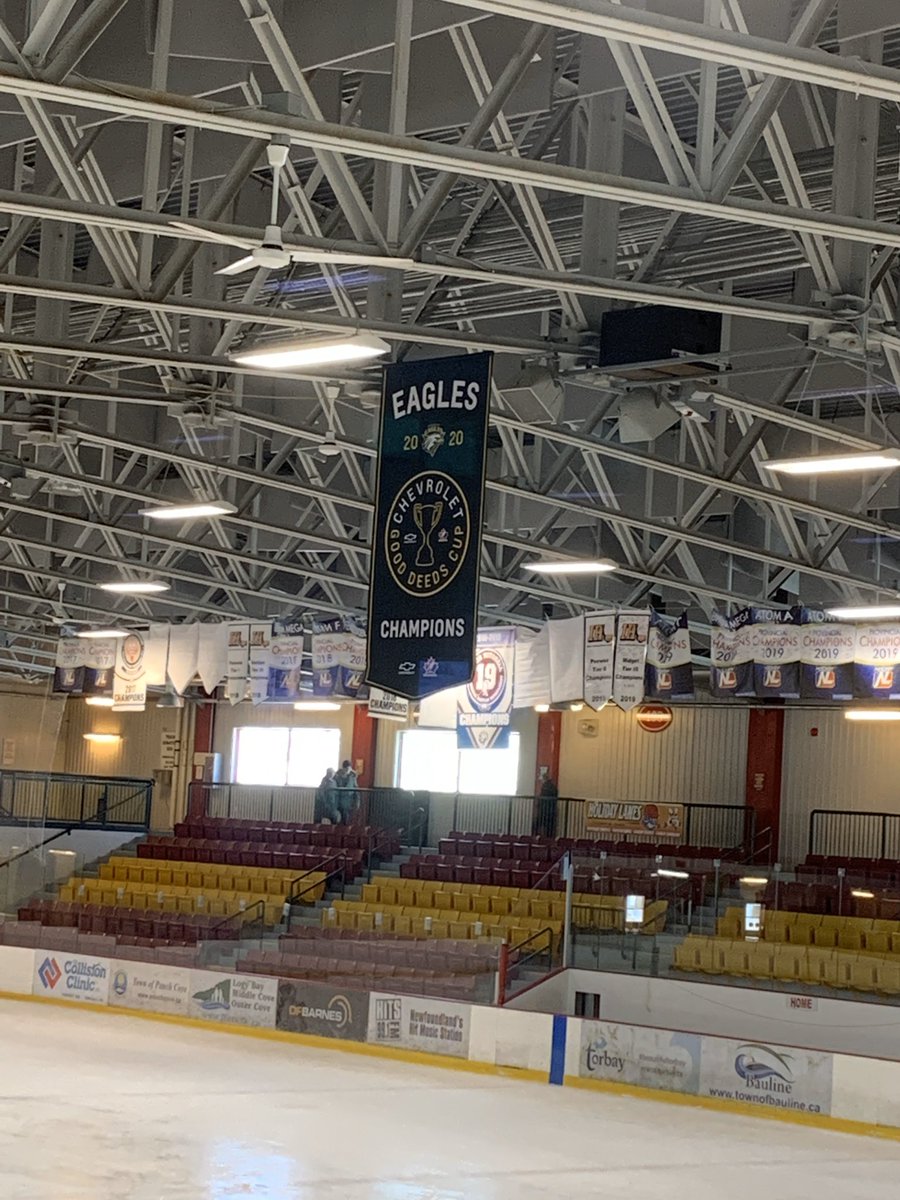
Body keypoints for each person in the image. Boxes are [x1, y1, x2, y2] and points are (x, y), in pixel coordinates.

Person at [333, 758, 359, 824]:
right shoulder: (337, 776)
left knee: (346, 821)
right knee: (338, 821)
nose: (348, 770)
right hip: (338, 803)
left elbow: (356, 789)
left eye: (349, 769)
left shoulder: (352, 776)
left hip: (349, 803)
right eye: (347, 769)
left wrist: (357, 802)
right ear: (343, 768)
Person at [534, 772, 559, 838]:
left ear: (543, 779)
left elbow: (542, 797)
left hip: (544, 810)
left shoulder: (545, 787)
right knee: (549, 828)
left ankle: (536, 837)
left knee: (537, 824)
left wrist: (539, 804)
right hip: (551, 810)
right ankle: (549, 840)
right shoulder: (553, 786)